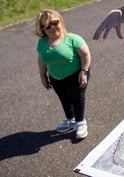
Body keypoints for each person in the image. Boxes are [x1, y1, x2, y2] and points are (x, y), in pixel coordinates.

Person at [35, 9, 91, 138]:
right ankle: (70, 120)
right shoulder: (42, 43)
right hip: (55, 77)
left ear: (61, 21)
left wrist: (84, 71)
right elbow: (41, 59)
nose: (52, 27)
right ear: (43, 29)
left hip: (76, 74)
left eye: (55, 23)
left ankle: (80, 122)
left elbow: (86, 55)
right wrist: (42, 75)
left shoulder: (72, 39)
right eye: (48, 26)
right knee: (64, 98)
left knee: (77, 97)